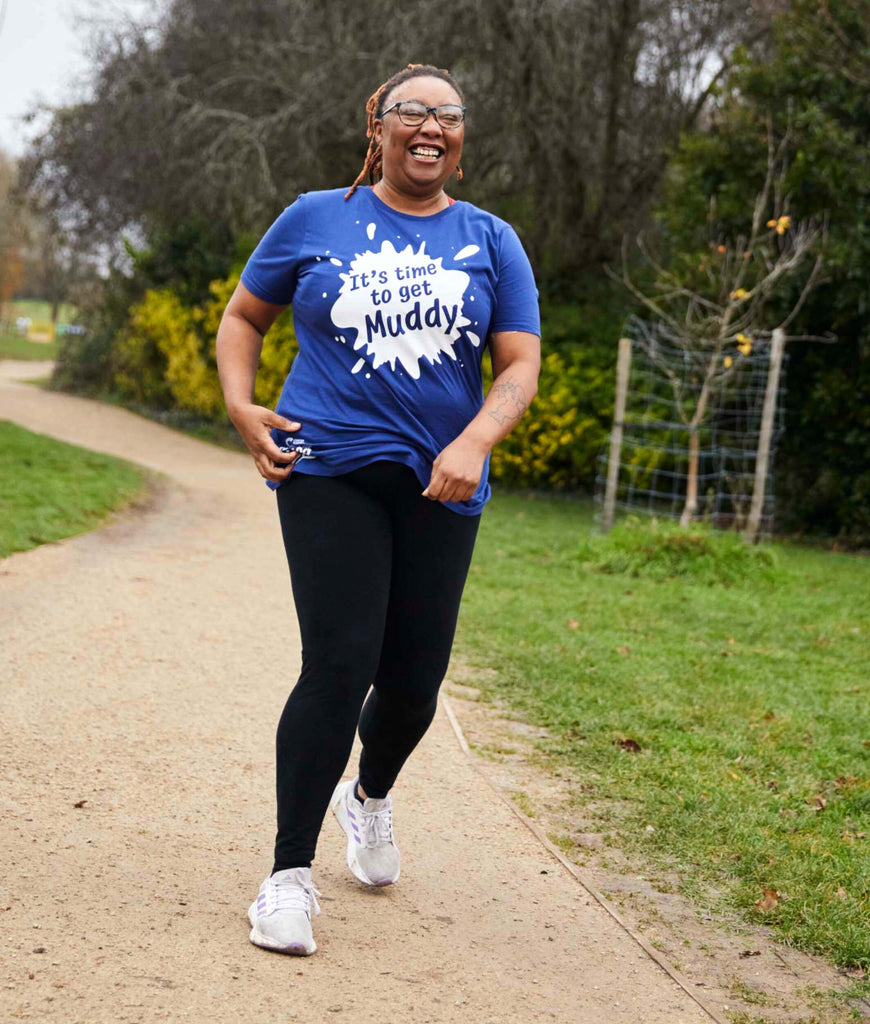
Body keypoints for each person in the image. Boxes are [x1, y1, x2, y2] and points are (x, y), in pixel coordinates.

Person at [216, 63, 541, 956]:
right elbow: (243, 319)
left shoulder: (491, 239)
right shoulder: (316, 217)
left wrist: (475, 440)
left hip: (443, 480)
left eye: (447, 115)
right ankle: (285, 878)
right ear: (377, 124)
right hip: (329, 469)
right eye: (412, 111)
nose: (430, 127)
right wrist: (243, 407)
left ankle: (367, 799)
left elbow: (518, 363)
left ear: (461, 138)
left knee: (412, 683)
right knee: (339, 662)